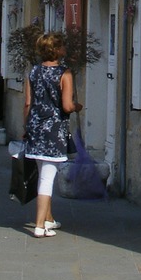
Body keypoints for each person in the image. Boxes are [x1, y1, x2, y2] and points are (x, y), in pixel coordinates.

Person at [22, 31, 81, 237]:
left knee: (42, 173)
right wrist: (76, 106)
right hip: (54, 130)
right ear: (56, 50)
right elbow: (66, 106)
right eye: (62, 45)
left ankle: (48, 219)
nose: (65, 48)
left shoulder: (34, 72)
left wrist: (26, 127)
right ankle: (39, 225)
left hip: (35, 128)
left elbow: (28, 103)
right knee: (47, 178)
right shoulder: (64, 73)